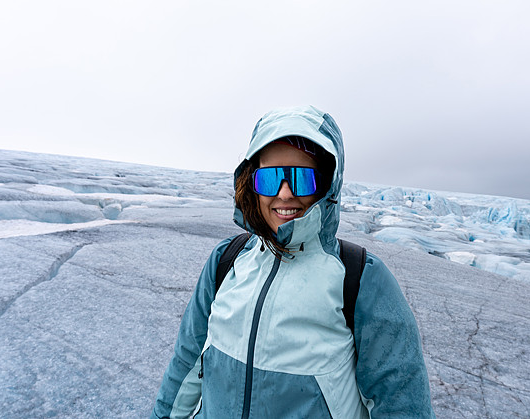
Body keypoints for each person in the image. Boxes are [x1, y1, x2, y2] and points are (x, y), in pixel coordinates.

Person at [151, 105, 435, 418]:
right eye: (271, 179)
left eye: (302, 178)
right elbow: (187, 361)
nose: (285, 194)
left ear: (327, 185)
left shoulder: (359, 277)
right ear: (251, 183)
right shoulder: (226, 261)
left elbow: (400, 403)